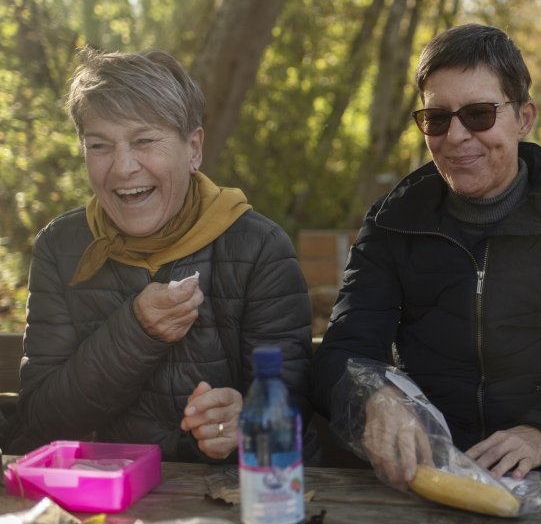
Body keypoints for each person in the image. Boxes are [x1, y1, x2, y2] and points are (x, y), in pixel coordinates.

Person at [311, 23, 541, 489]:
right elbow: (344, 351)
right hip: (432, 472)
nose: (456, 137)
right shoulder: (391, 224)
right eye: (437, 118)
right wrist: (375, 398)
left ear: (524, 117)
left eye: (480, 114)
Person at [6, 48, 313, 462]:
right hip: (99, 498)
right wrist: (135, 331)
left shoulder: (259, 248)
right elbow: (42, 420)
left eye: (144, 141)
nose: (122, 167)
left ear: (193, 149)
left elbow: (295, 406)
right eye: (99, 145)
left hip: (227, 503)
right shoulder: (60, 247)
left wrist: (243, 421)